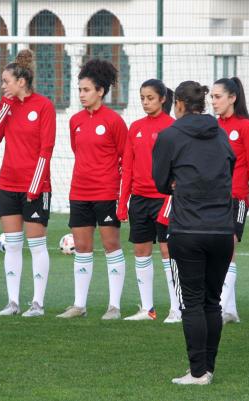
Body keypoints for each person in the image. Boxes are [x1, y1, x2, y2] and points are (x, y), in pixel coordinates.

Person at [152, 80, 235, 385]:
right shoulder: (221, 134)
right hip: (221, 230)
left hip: (188, 228)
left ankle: (198, 371)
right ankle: (207, 369)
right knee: (212, 301)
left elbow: (159, 181)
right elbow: (229, 168)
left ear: (180, 105)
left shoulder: (170, 135)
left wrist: (178, 182)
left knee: (192, 301)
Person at [57, 59, 127, 320]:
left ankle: (114, 306)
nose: (82, 95)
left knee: (111, 245)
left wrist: (120, 193)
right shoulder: (74, 120)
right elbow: (79, 151)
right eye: (80, 90)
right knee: (83, 247)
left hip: (106, 193)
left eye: (86, 90)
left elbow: (124, 158)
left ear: (100, 91)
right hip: (79, 192)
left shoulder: (114, 121)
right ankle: (79, 305)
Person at [0, 49, 56, 317]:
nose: (2, 85)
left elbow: (46, 148)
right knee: (13, 244)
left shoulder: (43, 106)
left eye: (6, 81)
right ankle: (13, 302)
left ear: (21, 81)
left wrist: (35, 186)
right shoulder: (7, 106)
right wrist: (4, 107)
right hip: (7, 183)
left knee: (37, 244)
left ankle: (37, 303)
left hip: (35, 187)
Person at [117, 79, 180, 322]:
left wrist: (172, 196)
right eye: (142, 97)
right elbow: (128, 167)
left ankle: (176, 308)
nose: (145, 102)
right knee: (141, 251)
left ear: (163, 99)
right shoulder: (135, 127)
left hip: (164, 199)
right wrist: (123, 202)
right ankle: (148, 309)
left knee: (167, 251)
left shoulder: (172, 127)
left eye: (150, 98)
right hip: (139, 200)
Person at [210, 77, 249, 324]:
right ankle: (229, 309)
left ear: (232, 97)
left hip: (235, 198)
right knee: (216, 252)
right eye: (211, 97)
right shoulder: (212, 126)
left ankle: (221, 307)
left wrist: (242, 195)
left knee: (227, 250)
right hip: (213, 198)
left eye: (217, 96)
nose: (213, 101)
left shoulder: (246, 127)